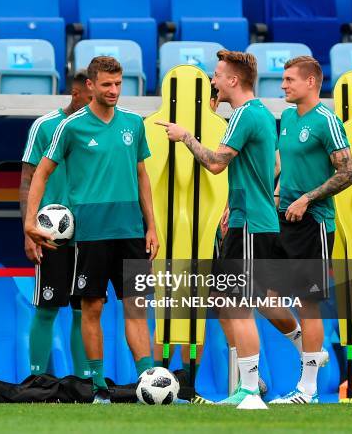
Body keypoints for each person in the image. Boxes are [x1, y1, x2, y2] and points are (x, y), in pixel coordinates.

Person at [25, 56, 159, 404]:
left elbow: (142, 176)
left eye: (118, 84)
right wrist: (29, 222)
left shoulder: (134, 123)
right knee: (92, 308)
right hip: (91, 235)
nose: (113, 91)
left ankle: (149, 381)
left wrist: (152, 226)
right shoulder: (71, 127)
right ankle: (97, 386)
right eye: (106, 85)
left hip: (131, 231)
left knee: (136, 308)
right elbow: (39, 173)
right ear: (91, 86)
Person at [156, 50, 278, 406]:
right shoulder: (258, 114)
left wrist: (185, 137)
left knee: (238, 306)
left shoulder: (242, 115)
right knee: (226, 303)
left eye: (217, 75)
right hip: (243, 220)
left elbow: (214, 164)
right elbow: (265, 168)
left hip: (253, 224)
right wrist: (233, 203)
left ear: (233, 81)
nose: (213, 81)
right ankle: (247, 387)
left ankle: (252, 389)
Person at [271, 56, 352, 404]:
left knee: (308, 302)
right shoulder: (288, 117)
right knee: (261, 293)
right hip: (281, 218)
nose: (283, 85)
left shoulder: (327, 121)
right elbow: (282, 166)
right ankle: (308, 345)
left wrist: (306, 198)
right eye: (283, 79)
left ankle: (307, 389)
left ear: (311, 82)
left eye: (290, 79)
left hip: (314, 223)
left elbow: (348, 173)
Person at [20, 70, 92, 377]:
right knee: (47, 306)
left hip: (88, 233)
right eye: (90, 98)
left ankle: (84, 382)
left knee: (85, 309)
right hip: (50, 233)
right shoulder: (45, 126)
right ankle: (37, 378)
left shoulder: (99, 127)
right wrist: (28, 231)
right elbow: (26, 180)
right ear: (76, 94)